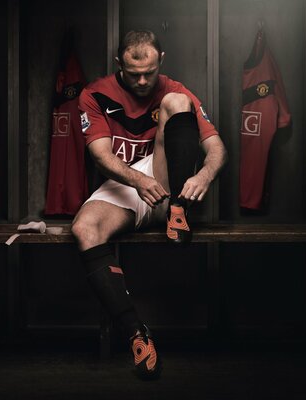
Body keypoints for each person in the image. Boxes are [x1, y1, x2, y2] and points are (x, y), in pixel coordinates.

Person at [71, 30, 227, 380]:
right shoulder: (94, 94)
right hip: (128, 182)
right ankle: (136, 334)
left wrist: (203, 176)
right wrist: (139, 182)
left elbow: (217, 149)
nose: (142, 81)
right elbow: (100, 155)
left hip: (168, 180)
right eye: (133, 73)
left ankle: (178, 213)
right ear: (118, 65)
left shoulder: (174, 89)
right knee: (84, 228)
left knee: (176, 103)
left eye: (150, 73)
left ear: (161, 61)